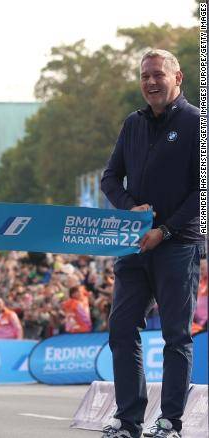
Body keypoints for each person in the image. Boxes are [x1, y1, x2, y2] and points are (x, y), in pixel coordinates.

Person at [100, 49, 201, 438]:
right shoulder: (133, 123)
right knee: (121, 330)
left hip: (178, 244)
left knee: (176, 335)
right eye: (144, 76)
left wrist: (166, 229)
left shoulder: (197, 123)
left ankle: (169, 422)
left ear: (178, 79)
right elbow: (110, 178)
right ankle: (128, 421)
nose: (151, 82)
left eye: (158, 75)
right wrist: (130, 207)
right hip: (134, 245)